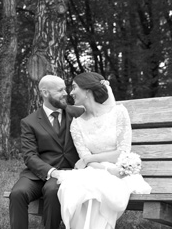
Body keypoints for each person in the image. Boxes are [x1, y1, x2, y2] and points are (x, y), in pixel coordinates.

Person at [56, 72, 151, 229]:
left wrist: (90, 160)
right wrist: (102, 166)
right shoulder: (76, 124)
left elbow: (122, 152)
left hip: (120, 173)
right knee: (74, 186)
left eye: (74, 87)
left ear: (87, 91)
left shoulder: (118, 113)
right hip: (96, 170)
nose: (71, 92)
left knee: (97, 188)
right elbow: (84, 157)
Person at [9, 75, 84, 229]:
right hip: (37, 174)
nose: (66, 93)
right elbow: (29, 156)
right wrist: (51, 171)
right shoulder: (29, 122)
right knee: (17, 193)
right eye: (60, 90)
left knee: (52, 190)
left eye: (65, 88)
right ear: (45, 93)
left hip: (68, 172)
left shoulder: (78, 113)